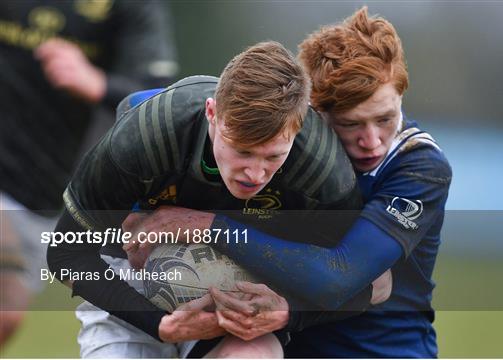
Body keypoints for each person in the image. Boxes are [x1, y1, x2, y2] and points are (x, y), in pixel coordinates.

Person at [48, 41, 387, 358]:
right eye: (242, 150)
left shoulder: (321, 172)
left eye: (273, 156)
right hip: (129, 285)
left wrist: (290, 312)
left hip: (245, 297)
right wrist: (159, 324)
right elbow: (65, 252)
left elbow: (367, 284)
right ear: (212, 113)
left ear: (296, 131)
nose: (255, 173)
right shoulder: (148, 136)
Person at [156, 6, 452, 358]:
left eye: (386, 118)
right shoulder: (276, 149)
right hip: (279, 346)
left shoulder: (418, 166)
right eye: (351, 124)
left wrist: (206, 227)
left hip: (383, 351)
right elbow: (147, 108)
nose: (372, 140)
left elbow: (341, 274)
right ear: (314, 112)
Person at [0, 0, 178, 347]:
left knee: (8, 317)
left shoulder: (130, 8)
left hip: (48, 195)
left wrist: (98, 84)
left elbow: (161, 98)